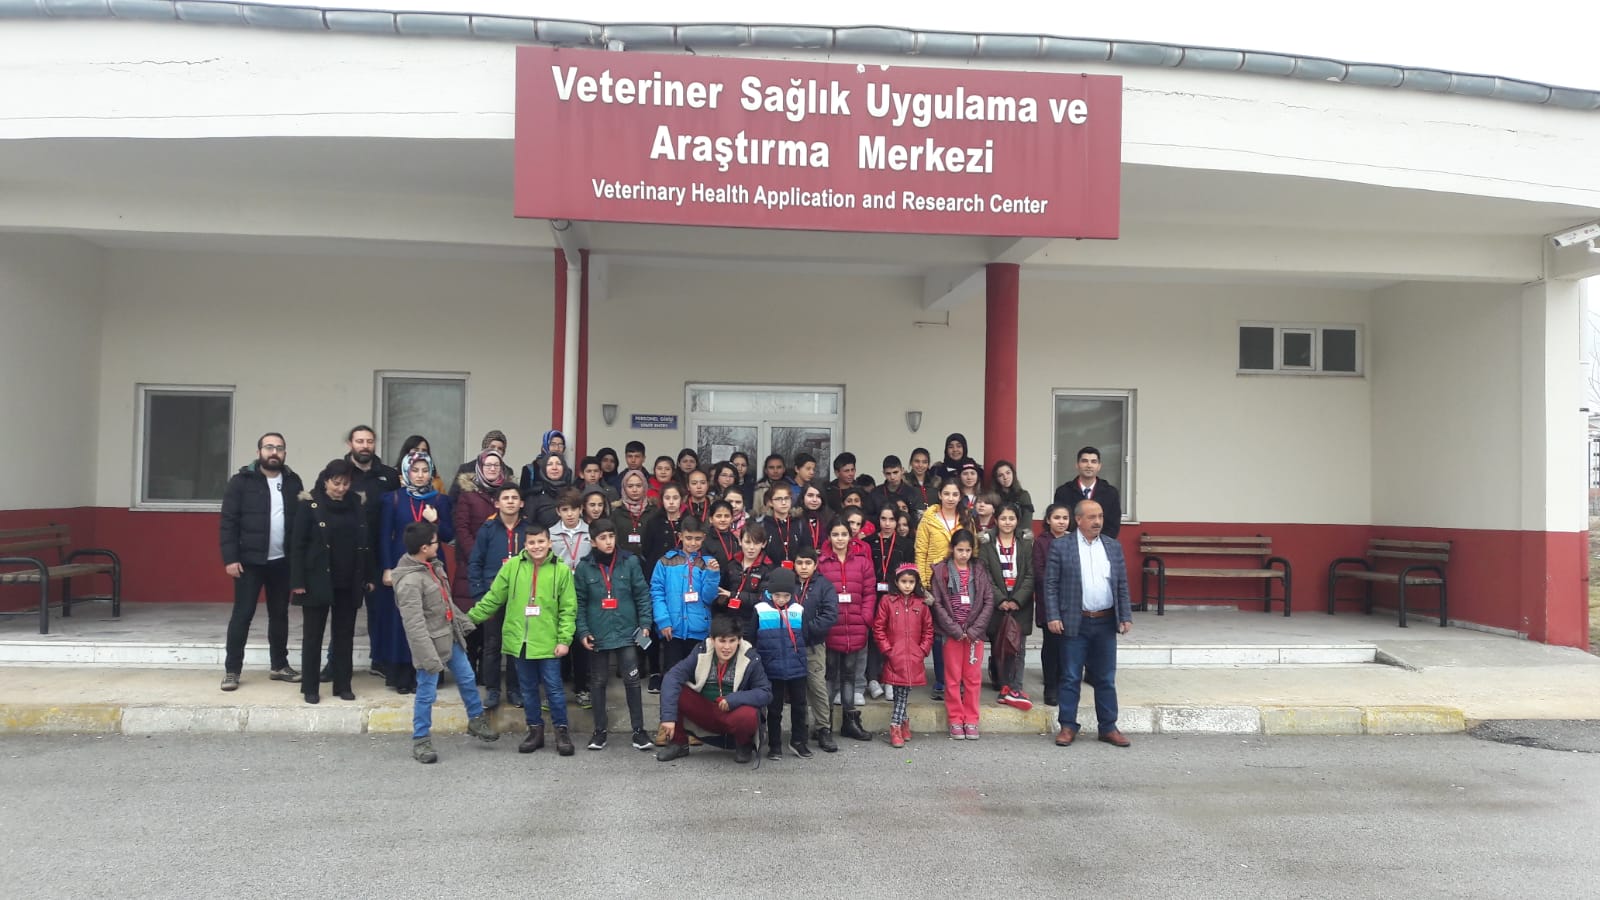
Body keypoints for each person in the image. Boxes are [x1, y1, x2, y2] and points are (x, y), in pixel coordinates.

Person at [467, 524, 579, 756]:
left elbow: (568, 609)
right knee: (527, 690)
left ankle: (561, 732)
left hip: (549, 642)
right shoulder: (512, 567)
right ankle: (535, 730)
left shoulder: (562, 570)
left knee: (554, 689)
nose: (536, 547)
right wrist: (468, 620)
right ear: (524, 544)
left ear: (549, 543)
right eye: (531, 542)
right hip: (520, 641)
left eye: (541, 542)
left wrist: (564, 640)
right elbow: (493, 598)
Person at [394, 521, 500, 764]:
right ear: (424, 548)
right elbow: (414, 625)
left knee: (467, 678)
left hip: (449, 637)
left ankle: (476, 719)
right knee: (426, 693)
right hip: (429, 647)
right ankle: (421, 739)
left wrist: (464, 622)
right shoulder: (410, 582)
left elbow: (446, 603)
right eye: (435, 542)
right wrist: (428, 658)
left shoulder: (434, 567)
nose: (438, 545)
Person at [1043, 499, 1134, 749]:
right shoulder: (1062, 546)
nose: (1097, 521)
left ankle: (1108, 727)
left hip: (1105, 621)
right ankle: (1068, 726)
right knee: (1070, 676)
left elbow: (1121, 583)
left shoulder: (1112, 546)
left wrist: (1125, 615)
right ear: (1078, 520)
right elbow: (1050, 584)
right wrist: (1053, 615)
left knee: (1105, 677)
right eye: (1092, 517)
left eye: (1100, 516)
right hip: (1075, 621)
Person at [219, 432, 304, 692]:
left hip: (282, 562)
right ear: (259, 452)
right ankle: (232, 671)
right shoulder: (241, 482)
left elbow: (300, 523)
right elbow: (228, 522)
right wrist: (230, 558)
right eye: (269, 447)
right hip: (249, 562)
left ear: (285, 453)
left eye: (279, 448)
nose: (274, 452)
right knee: (242, 615)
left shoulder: (293, 481)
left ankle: (279, 665)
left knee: (279, 615)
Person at [289, 458, 375, 704]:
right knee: (313, 636)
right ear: (326, 481)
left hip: (348, 579)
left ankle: (343, 685)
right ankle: (310, 687)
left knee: (344, 635)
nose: (341, 488)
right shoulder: (310, 504)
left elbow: (365, 543)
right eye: (336, 483)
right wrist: (297, 581)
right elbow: (297, 545)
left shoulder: (356, 503)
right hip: (316, 578)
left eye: (345, 484)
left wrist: (369, 576)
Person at [376, 450, 453, 694]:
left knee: (431, 618)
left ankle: (430, 673)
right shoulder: (394, 498)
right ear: (406, 473)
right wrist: (387, 568)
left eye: (425, 470)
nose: (420, 475)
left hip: (431, 566)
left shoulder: (440, 500)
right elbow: (384, 535)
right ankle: (402, 675)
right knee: (404, 619)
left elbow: (449, 535)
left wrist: (435, 521)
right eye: (415, 470)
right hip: (403, 567)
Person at [574, 519, 655, 752]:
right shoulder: (584, 567)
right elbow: (579, 603)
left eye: (611, 536)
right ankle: (599, 731)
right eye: (602, 538)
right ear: (593, 542)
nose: (608, 542)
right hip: (598, 633)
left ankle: (639, 731)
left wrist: (645, 623)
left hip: (627, 631)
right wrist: (583, 631)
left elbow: (642, 594)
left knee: (632, 680)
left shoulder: (630, 562)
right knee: (598, 682)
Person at [655, 615, 773, 764]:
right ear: (712, 639)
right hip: (705, 710)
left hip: (732, 713)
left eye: (732, 641)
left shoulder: (751, 657)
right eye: (722, 641)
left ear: (739, 640)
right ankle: (678, 743)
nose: (727, 647)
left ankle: (744, 745)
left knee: (749, 715)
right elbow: (672, 677)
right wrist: (668, 717)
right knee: (675, 689)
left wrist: (734, 699)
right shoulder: (701, 651)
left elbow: (765, 692)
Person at [650, 515, 722, 741]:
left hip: (698, 630)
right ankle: (667, 726)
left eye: (697, 539)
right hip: (673, 630)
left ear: (704, 538)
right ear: (680, 536)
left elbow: (709, 598)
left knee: (696, 680)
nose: (692, 543)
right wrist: (663, 621)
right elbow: (657, 592)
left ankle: (693, 728)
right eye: (688, 538)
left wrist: (713, 575)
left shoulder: (707, 563)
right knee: (671, 679)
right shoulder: (665, 562)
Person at [467, 483, 529, 709]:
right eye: (506, 498)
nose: (510, 501)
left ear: (521, 503)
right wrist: (480, 595)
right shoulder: (488, 529)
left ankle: (514, 689)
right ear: (497, 503)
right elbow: (476, 563)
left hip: (521, 598)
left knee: (517, 644)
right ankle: (492, 690)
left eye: (515, 498)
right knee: (492, 644)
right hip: (493, 597)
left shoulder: (528, 529)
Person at [343, 424, 397, 678]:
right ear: (350, 444)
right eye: (359, 441)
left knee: (379, 612)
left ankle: (380, 660)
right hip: (346, 554)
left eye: (369, 441)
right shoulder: (338, 472)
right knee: (343, 611)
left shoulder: (388, 475)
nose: (365, 446)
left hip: (377, 554)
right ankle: (336, 661)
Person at [929, 529, 994, 740]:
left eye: (967, 550)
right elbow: (937, 604)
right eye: (960, 550)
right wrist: (955, 630)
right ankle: (956, 719)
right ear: (952, 549)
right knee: (953, 678)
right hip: (952, 634)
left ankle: (971, 719)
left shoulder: (980, 570)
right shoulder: (941, 571)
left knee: (973, 678)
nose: (964, 554)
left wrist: (974, 630)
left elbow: (988, 601)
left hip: (975, 634)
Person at [451, 449, 508, 678]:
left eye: (496, 465)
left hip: (497, 567)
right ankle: (470, 668)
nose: (492, 468)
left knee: (493, 624)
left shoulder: (506, 494)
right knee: (472, 618)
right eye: (488, 465)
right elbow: (462, 528)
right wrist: (478, 555)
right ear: (479, 468)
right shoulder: (468, 495)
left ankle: (488, 671)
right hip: (471, 566)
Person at [914, 481, 972, 701]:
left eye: (955, 494)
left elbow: (973, 549)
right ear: (939, 495)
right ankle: (941, 681)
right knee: (940, 633)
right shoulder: (929, 519)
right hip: (935, 581)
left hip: (962, 581)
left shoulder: (966, 519)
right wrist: (923, 583)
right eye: (946, 493)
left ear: (960, 496)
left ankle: (959, 679)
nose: (950, 498)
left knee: (960, 629)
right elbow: (921, 551)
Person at [819, 520, 876, 742]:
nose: (840, 539)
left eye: (844, 534)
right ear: (829, 537)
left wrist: (865, 617)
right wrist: (824, 620)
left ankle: (849, 721)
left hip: (855, 626)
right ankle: (824, 723)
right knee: (829, 675)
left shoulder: (862, 562)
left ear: (850, 537)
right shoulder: (822, 563)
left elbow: (869, 592)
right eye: (835, 534)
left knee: (850, 675)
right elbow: (817, 593)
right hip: (831, 627)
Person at [752, 566, 812, 760]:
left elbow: (806, 635)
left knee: (799, 706)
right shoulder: (760, 610)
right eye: (777, 595)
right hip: (771, 667)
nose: (781, 599)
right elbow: (751, 637)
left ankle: (798, 741)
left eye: (786, 596)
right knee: (774, 708)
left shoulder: (798, 609)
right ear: (770, 592)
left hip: (797, 666)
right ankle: (775, 745)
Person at [980, 503, 1035, 711]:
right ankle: (1003, 685)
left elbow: (1030, 574)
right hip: (997, 603)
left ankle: (1016, 687)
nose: (1007, 522)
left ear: (1017, 520)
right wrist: (1001, 599)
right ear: (996, 520)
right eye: (1003, 518)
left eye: (1011, 518)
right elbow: (984, 573)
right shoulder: (986, 543)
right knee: (1000, 645)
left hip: (1020, 604)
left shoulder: (1025, 542)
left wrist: (1017, 600)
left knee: (1019, 647)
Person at [874, 563, 934, 749]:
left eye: (911, 582)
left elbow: (928, 630)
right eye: (903, 581)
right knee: (900, 691)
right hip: (895, 655)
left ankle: (900, 723)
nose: (907, 585)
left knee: (903, 691)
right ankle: (898, 724)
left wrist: (922, 650)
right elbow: (879, 627)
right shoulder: (887, 601)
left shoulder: (921, 604)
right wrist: (888, 650)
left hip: (914, 656)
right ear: (896, 582)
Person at [791, 547, 839, 753]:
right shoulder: (788, 583)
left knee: (817, 686)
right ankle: (800, 729)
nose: (803, 567)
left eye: (808, 563)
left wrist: (806, 630)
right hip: (789, 644)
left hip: (813, 644)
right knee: (796, 689)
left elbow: (830, 614)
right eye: (799, 563)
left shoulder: (824, 585)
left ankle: (823, 728)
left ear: (815, 565)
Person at [550, 487, 593, 709]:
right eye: (565, 510)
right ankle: (556, 690)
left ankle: (582, 688)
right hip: (559, 595)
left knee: (581, 642)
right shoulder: (550, 534)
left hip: (584, 594)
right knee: (559, 641)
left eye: (574, 509)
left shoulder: (590, 532)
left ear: (581, 510)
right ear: (558, 511)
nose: (570, 514)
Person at [868, 504, 912, 700]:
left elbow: (910, 573)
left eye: (891, 519)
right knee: (873, 636)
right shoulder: (869, 542)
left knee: (893, 636)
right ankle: (872, 678)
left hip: (895, 595)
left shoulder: (905, 544)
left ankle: (890, 679)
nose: (887, 523)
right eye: (883, 519)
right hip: (873, 594)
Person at [1033, 503, 1073, 707]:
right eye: (1057, 518)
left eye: (1065, 518)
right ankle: (1050, 687)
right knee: (1051, 645)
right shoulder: (1041, 542)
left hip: (1071, 601)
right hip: (1049, 600)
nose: (1061, 522)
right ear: (1048, 520)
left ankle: (1065, 684)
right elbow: (1039, 572)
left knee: (1068, 646)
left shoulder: (1074, 540)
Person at [1053, 446, 1123, 539]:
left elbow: (1113, 526)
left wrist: (1096, 542)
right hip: (1071, 543)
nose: (1089, 465)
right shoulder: (1063, 492)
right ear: (1077, 465)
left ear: (1099, 466)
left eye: (1093, 462)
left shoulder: (1110, 493)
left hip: (1101, 544)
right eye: (1084, 461)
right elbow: (1060, 522)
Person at [449, 430, 508, 499]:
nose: (496, 450)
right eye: (492, 447)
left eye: (500, 448)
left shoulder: (507, 471)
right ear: (485, 447)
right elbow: (453, 497)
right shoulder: (466, 468)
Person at [611, 470, 655, 560]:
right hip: (622, 562)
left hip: (648, 562)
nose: (634, 490)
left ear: (645, 487)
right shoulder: (616, 512)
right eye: (630, 486)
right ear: (624, 488)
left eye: (638, 486)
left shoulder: (654, 511)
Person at [760, 482, 807, 564]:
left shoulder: (799, 524)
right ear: (770, 502)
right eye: (779, 499)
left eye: (787, 498)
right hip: (770, 570)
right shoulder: (763, 524)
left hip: (795, 569)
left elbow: (806, 550)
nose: (784, 502)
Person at [521, 452, 572, 527]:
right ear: (544, 468)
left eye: (558, 464)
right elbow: (527, 525)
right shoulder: (534, 495)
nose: (554, 468)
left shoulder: (573, 494)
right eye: (549, 464)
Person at [869, 454, 918, 521]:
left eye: (895, 472)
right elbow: (869, 518)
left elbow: (915, 519)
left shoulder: (911, 493)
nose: (892, 477)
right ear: (884, 473)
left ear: (902, 470)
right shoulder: (875, 493)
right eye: (888, 473)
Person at [990, 460, 1035, 532]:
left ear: (1013, 474)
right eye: (1001, 475)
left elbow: (1026, 521)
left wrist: (1019, 535)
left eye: (1008, 473)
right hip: (998, 534)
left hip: (1019, 534)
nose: (1005, 477)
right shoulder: (993, 496)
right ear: (997, 479)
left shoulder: (1023, 495)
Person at [906, 447, 939, 519]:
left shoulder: (936, 481)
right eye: (917, 461)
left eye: (924, 462)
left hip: (933, 522)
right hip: (911, 522)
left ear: (928, 464)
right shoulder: (905, 481)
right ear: (911, 462)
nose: (920, 465)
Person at [797, 484, 830, 551]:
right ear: (803, 497)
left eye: (818, 496)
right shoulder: (795, 518)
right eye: (810, 495)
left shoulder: (829, 517)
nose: (814, 500)